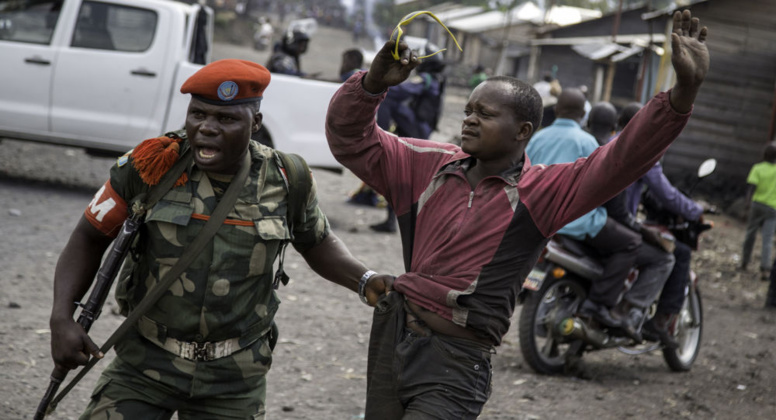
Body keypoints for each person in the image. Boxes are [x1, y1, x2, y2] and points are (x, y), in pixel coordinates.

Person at [326, 10, 708, 418]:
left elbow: (622, 158)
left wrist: (683, 91)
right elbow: (351, 140)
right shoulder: (426, 164)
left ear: (523, 131)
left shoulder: (541, 192)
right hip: (392, 338)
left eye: (485, 114)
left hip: (455, 364)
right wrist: (371, 85)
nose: (470, 119)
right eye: (469, 111)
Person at [47, 59, 391, 419]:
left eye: (226, 119)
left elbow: (316, 242)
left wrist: (364, 279)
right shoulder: (152, 165)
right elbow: (89, 235)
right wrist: (61, 317)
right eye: (198, 114)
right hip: (144, 366)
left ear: (255, 123)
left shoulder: (287, 178)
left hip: (234, 380)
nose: (207, 128)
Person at [526, 89, 643, 338]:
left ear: (557, 110)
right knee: (631, 243)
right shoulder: (588, 142)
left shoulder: (537, 138)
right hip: (576, 222)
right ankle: (598, 306)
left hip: (537, 218)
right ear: (582, 114)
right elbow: (602, 188)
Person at [618, 101, 707, 347]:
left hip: (593, 220)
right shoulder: (643, 150)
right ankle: (646, 317)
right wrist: (695, 209)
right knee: (673, 254)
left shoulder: (602, 142)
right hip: (617, 224)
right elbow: (666, 194)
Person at [587, 102, 677, 342]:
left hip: (560, 219)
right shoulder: (628, 151)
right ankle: (621, 312)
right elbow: (618, 207)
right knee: (646, 249)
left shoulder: (588, 142)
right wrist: (640, 229)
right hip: (592, 222)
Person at [370, 41, 447, 233]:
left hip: (417, 130)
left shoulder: (427, 79)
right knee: (401, 176)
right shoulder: (437, 79)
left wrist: (378, 80)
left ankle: (380, 134)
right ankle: (393, 221)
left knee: (387, 96)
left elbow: (402, 90)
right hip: (420, 130)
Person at [740, 141, 776, 280]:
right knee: (767, 238)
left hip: (757, 205)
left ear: (764, 154)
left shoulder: (758, 168)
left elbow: (751, 188)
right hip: (772, 208)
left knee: (750, 233)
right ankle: (765, 269)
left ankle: (744, 262)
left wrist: (746, 206)